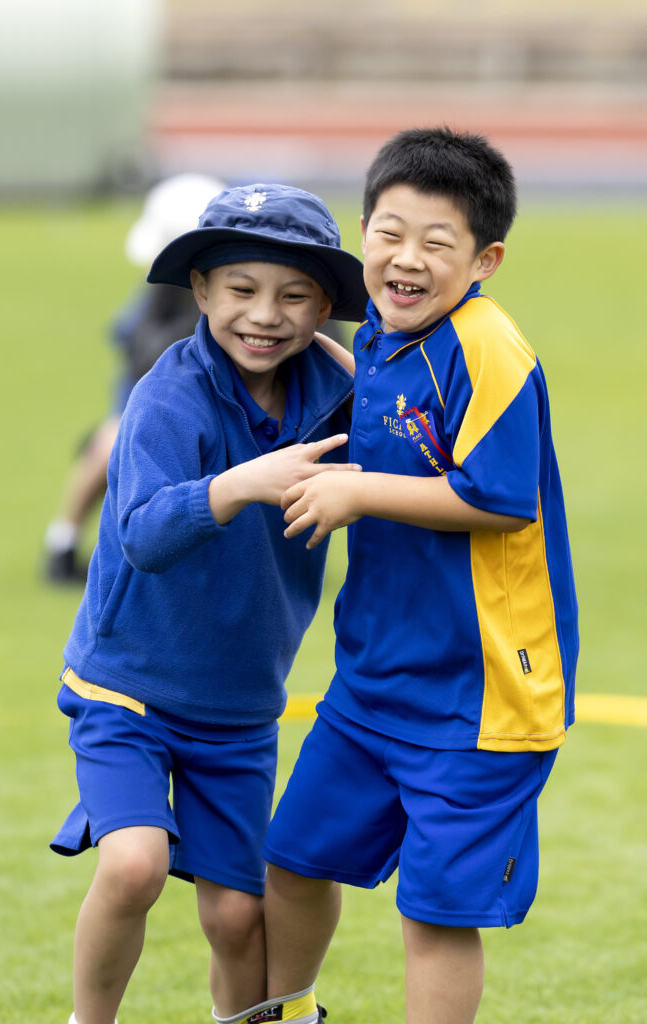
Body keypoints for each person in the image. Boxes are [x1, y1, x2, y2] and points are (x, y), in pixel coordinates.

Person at [260, 128, 580, 1024]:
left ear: (484, 260)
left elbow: (497, 498)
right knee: (290, 860)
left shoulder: (488, 347)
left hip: (484, 694)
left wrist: (359, 490)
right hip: (373, 678)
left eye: (435, 244)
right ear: (361, 232)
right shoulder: (385, 339)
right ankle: (288, 1013)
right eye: (387, 233)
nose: (405, 260)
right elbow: (393, 406)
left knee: (433, 915)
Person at [49, 181, 369, 1024]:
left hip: (237, 706)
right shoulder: (169, 394)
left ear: (325, 305)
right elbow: (147, 535)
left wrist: (366, 360)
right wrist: (239, 485)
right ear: (198, 290)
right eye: (241, 289)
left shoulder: (334, 399)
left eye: (294, 295)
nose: (264, 315)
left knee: (237, 916)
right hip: (129, 684)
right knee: (132, 867)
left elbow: (427, 428)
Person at [43, 173, 226, 583]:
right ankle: (63, 542)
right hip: (148, 395)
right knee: (113, 440)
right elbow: (134, 347)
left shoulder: (222, 295)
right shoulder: (159, 294)